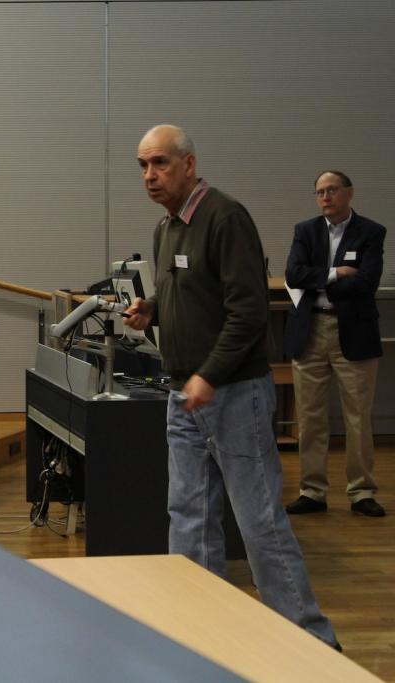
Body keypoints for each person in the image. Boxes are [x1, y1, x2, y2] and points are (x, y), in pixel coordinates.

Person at [123, 124, 338, 648]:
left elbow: (248, 313)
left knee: (259, 522)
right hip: (184, 396)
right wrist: (152, 311)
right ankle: (201, 637)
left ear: (188, 164)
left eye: (160, 163)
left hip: (234, 394)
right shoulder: (165, 228)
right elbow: (194, 297)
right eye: (143, 165)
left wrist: (209, 375)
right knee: (189, 521)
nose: (149, 175)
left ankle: (312, 643)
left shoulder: (225, 217)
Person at [283, 171, 386, 518]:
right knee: (310, 417)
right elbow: (294, 274)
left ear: (349, 193)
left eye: (332, 190)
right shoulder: (306, 230)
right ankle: (312, 491)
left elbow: (367, 282)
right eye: (319, 192)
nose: (325, 197)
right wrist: (335, 273)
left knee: (358, 418)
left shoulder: (370, 231)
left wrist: (317, 282)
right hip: (310, 330)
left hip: (353, 332)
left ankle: (362, 491)